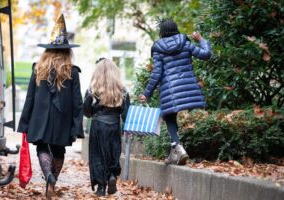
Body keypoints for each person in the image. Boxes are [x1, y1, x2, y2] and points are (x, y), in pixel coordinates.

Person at [17, 14, 84, 197]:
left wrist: (25, 123)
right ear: (66, 51)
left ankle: (48, 176)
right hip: (63, 117)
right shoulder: (72, 71)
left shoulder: (38, 68)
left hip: (40, 116)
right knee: (58, 149)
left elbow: (30, 98)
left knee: (42, 147)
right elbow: (77, 101)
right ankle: (52, 182)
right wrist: (77, 126)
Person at [139, 19, 211, 165]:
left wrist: (146, 93)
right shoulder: (185, 43)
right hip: (188, 88)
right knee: (169, 116)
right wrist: (201, 39)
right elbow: (206, 54)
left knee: (169, 117)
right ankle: (175, 153)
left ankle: (178, 147)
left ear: (162, 32)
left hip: (170, 91)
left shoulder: (158, 48)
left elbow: (157, 73)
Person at [83, 58, 130, 197]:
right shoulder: (122, 90)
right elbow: (126, 113)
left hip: (98, 125)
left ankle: (101, 187)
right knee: (112, 153)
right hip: (114, 125)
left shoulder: (93, 90)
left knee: (97, 156)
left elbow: (86, 111)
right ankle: (112, 176)